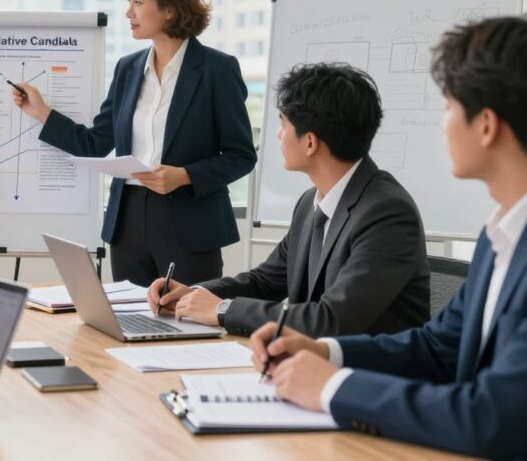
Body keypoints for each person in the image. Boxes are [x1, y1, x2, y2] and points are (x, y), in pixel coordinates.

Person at [251, 14, 527, 459]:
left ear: (486, 125)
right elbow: (438, 347)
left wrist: (333, 387)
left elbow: (492, 417)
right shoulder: (507, 229)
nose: (442, 126)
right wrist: (326, 351)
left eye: (448, 108)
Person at [13, 0, 256, 287]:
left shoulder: (217, 70)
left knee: (188, 326)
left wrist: (185, 176)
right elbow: (96, 143)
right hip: (128, 220)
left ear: (169, 8)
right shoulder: (127, 69)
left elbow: (241, 156)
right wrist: (42, 112)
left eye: (138, 2)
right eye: (129, 2)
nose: (129, 13)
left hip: (190, 222)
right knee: (130, 322)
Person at [148, 62, 430, 337]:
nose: (278, 134)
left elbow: (332, 320)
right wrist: (195, 294)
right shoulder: (311, 203)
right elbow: (265, 281)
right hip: (310, 366)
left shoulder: (387, 213)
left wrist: (222, 309)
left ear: (310, 142)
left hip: (369, 376)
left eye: (283, 124)